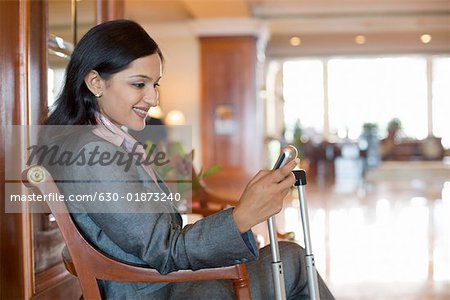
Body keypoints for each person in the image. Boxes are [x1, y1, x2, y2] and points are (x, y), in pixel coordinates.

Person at [40, 20, 335, 299]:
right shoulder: (92, 155)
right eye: (139, 84)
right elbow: (166, 250)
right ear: (95, 82)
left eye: (155, 84)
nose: (154, 99)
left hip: (164, 283)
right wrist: (242, 216)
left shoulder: (101, 141)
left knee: (289, 255)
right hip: (162, 291)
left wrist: (243, 212)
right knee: (294, 260)